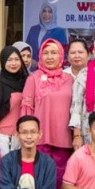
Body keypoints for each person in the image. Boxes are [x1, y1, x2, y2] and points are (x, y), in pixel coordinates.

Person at [20, 38, 75, 172]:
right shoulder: (33, 78)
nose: (49, 57)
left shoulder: (70, 79)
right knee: (39, 175)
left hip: (64, 138)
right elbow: (27, 110)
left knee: (60, 176)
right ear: (40, 56)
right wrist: (27, 135)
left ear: (61, 55)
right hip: (39, 139)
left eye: (54, 53)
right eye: (45, 53)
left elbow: (76, 108)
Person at [0, 45, 27, 156]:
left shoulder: (26, 82)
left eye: (16, 59)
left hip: (23, 136)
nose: (13, 63)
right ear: (3, 61)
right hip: (4, 138)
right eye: (9, 60)